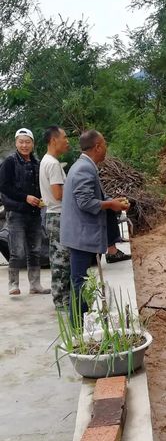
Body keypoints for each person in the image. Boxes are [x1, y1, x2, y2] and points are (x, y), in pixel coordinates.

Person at [60, 129, 129, 322]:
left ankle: (79, 326)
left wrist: (112, 201)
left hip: (79, 235)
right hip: (80, 236)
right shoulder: (84, 168)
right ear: (97, 147)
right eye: (104, 144)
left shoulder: (83, 165)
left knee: (79, 281)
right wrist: (111, 204)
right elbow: (85, 202)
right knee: (79, 283)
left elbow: (91, 197)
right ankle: (78, 328)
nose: (106, 148)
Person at [0, 128, 50, 297]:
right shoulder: (10, 162)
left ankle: (35, 285)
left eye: (27, 142)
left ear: (33, 144)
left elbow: (42, 185)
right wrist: (25, 198)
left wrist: (42, 198)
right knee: (17, 251)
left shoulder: (37, 163)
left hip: (34, 213)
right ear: (16, 143)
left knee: (35, 250)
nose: (24, 145)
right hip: (16, 213)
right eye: (21, 142)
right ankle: (13, 284)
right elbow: (4, 187)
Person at [39, 125, 71, 309]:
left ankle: (62, 298)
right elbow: (58, 194)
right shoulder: (52, 164)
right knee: (62, 260)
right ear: (53, 140)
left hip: (54, 215)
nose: (67, 141)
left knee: (59, 258)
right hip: (58, 215)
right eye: (64, 137)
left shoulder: (47, 161)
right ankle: (61, 300)